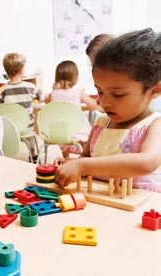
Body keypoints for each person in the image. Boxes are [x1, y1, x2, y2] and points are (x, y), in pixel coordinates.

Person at [54, 28, 161, 193]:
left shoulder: (155, 124)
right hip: (100, 205)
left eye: (118, 94)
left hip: (139, 210)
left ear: (154, 90)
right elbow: (86, 158)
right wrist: (71, 163)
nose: (104, 102)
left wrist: (82, 166)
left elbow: (146, 162)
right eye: (100, 92)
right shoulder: (101, 123)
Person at [45, 60, 97, 158]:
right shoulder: (77, 92)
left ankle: (66, 158)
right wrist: (79, 108)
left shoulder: (53, 93)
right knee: (86, 131)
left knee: (65, 135)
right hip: (76, 129)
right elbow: (93, 105)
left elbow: (46, 101)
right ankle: (83, 157)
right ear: (75, 76)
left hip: (59, 131)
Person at [0, 52, 42, 161]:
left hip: (10, 129)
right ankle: (33, 155)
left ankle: (7, 155)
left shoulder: (3, 90)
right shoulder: (31, 87)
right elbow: (42, 96)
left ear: (7, 72)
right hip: (27, 128)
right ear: (22, 71)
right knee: (31, 134)